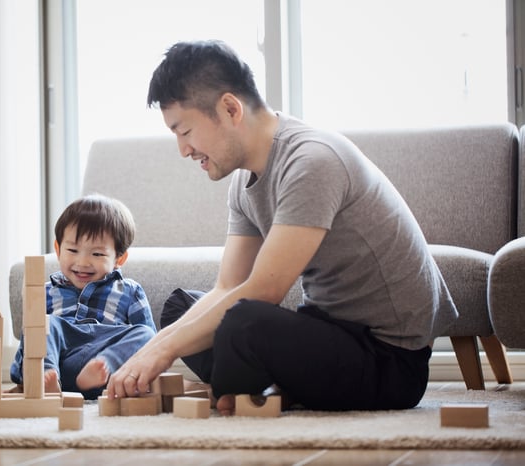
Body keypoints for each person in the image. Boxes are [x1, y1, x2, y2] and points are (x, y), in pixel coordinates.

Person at [105, 40, 458, 413]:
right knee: (180, 307)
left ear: (229, 108)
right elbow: (228, 285)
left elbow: (264, 290)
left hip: (388, 360)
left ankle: (250, 386)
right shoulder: (243, 183)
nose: (183, 150)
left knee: (243, 323)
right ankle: (261, 386)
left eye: (185, 131)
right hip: (329, 333)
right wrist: (153, 348)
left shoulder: (312, 161)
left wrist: (163, 350)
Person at [9, 194, 157, 399]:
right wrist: (22, 375)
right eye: (72, 250)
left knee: (147, 334)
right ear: (58, 250)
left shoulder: (129, 291)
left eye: (97, 254)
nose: (83, 262)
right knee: (43, 323)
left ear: (119, 258)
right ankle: (45, 378)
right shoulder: (45, 291)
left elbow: (149, 346)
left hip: (104, 371)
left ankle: (104, 364)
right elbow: (30, 338)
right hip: (62, 365)